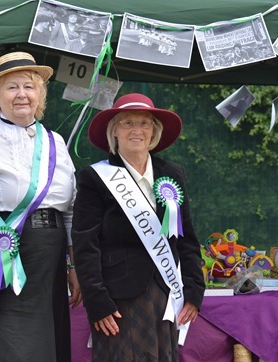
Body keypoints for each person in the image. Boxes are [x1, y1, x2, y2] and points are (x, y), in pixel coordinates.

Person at [0, 51, 82, 362]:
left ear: (40, 94)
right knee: (11, 349)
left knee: (45, 349)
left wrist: (74, 266)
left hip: (49, 265)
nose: (21, 94)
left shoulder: (57, 143)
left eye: (29, 86)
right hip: (7, 266)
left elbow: (70, 213)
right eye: (11, 87)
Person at [72, 93, 205, 361]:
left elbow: (187, 238)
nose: (137, 130)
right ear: (114, 132)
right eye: (128, 123)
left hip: (166, 293)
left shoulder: (172, 174)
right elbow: (85, 245)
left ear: (154, 131)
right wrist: (97, 301)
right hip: (118, 298)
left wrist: (193, 289)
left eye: (144, 123)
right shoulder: (94, 178)